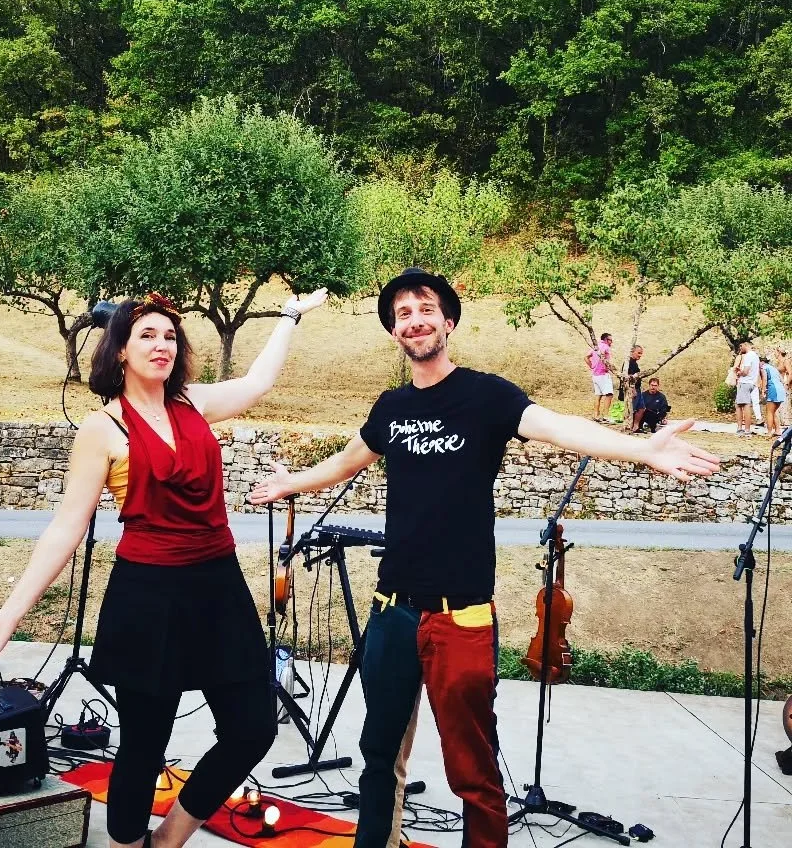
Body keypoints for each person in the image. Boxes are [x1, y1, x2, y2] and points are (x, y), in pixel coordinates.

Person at [249, 268, 721, 848]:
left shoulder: (486, 395)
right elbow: (346, 462)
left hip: (463, 615)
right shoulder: (391, 407)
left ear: (447, 321)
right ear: (394, 333)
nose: (414, 320)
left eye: (425, 309)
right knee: (379, 756)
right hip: (392, 611)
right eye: (402, 314)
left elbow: (557, 428)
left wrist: (639, 449)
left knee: (472, 770)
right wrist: (288, 484)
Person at [0, 288, 328, 848]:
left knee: (252, 727)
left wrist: (290, 316)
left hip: (217, 590)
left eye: (170, 336)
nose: (162, 345)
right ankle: (127, 844)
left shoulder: (194, 403)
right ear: (121, 352)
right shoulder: (102, 429)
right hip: (148, 597)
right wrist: (9, 615)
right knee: (143, 747)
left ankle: (170, 838)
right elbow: (66, 528)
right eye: (147, 336)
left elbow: (258, 383)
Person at [734, 339, 761, 437]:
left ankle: (743, 429)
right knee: (746, 405)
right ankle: (746, 429)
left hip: (745, 382)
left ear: (745, 345)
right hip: (752, 382)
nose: (740, 349)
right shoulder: (755, 356)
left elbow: (745, 372)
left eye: (741, 346)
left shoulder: (749, 355)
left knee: (741, 405)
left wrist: (739, 372)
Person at [587, 332, 614, 422]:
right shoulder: (606, 347)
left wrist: (592, 366)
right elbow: (603, 356)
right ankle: (606, 416)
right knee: (609, 394)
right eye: (610, 340)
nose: (611, 342)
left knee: (598, 395)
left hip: (595, 375)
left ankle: (596, 414)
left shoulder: (596, 347)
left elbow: (586, 357)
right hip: (603, 374)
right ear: (606, 340)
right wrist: (607, 367)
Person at [760, 354, 787, 438]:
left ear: (762, 362)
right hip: (780, 389)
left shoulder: (763, 367)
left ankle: (769, 432)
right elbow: (782, 380)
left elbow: (764, 379)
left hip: (773, 389)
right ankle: (778, 430)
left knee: (769, 412)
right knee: (773, 411)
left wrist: (763, 390)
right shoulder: (774, 368)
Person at [621, 344, 644, 433]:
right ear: (632, 352)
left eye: (641, 353)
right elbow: (627, 377)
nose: (640, 355)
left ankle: (635, 426)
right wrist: (632, 389)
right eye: (638, 353)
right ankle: (627, 427)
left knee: (641, 408)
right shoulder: (628, 363)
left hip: (638, 389)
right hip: (632, 389)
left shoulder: (634, 363)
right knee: (631, 409)